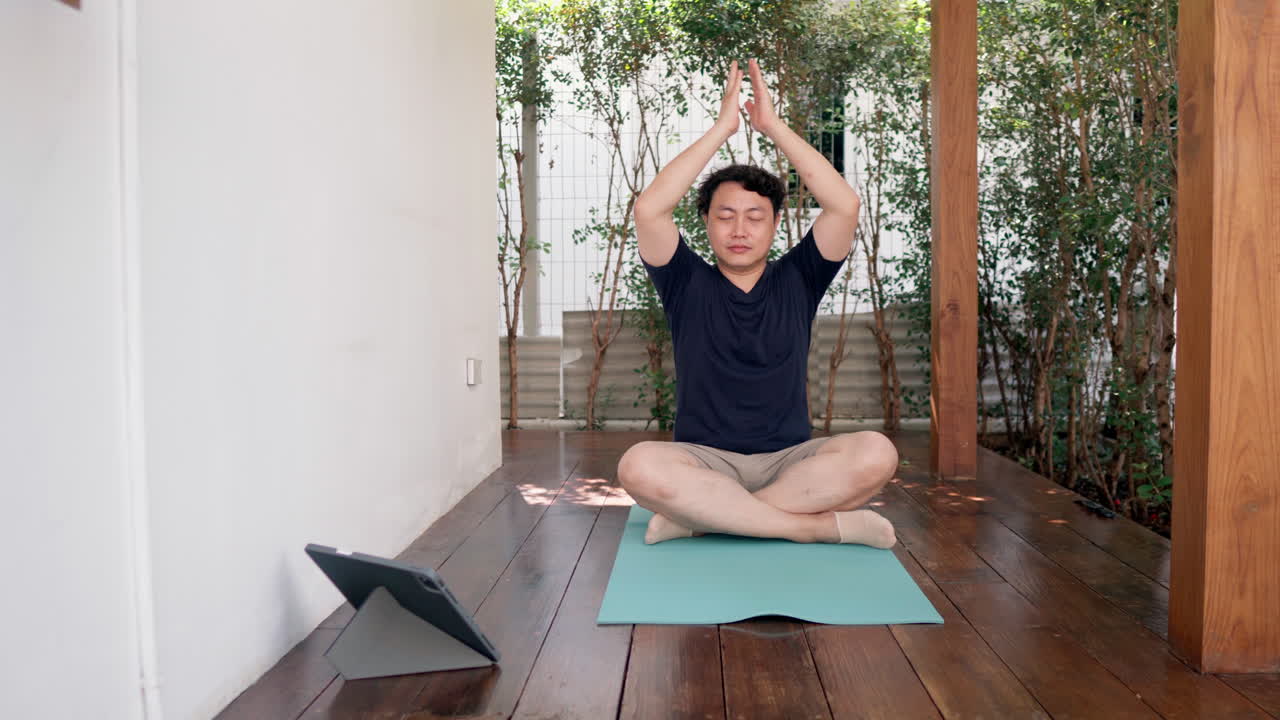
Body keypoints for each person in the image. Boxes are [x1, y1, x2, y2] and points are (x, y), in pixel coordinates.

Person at [618, 58, 898, 548]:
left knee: (877, 453)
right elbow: (649, 209)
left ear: (774, 225)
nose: (740, 229)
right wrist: (722, 128)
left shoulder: (800, 276)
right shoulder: (685, 281)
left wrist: (772, 126)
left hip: (790, 463)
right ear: (706, 222)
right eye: (726, 215)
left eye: (755, 216)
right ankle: (811, 528)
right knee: (637, 466)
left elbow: (844, 206)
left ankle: (703, 519)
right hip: (703, 461)